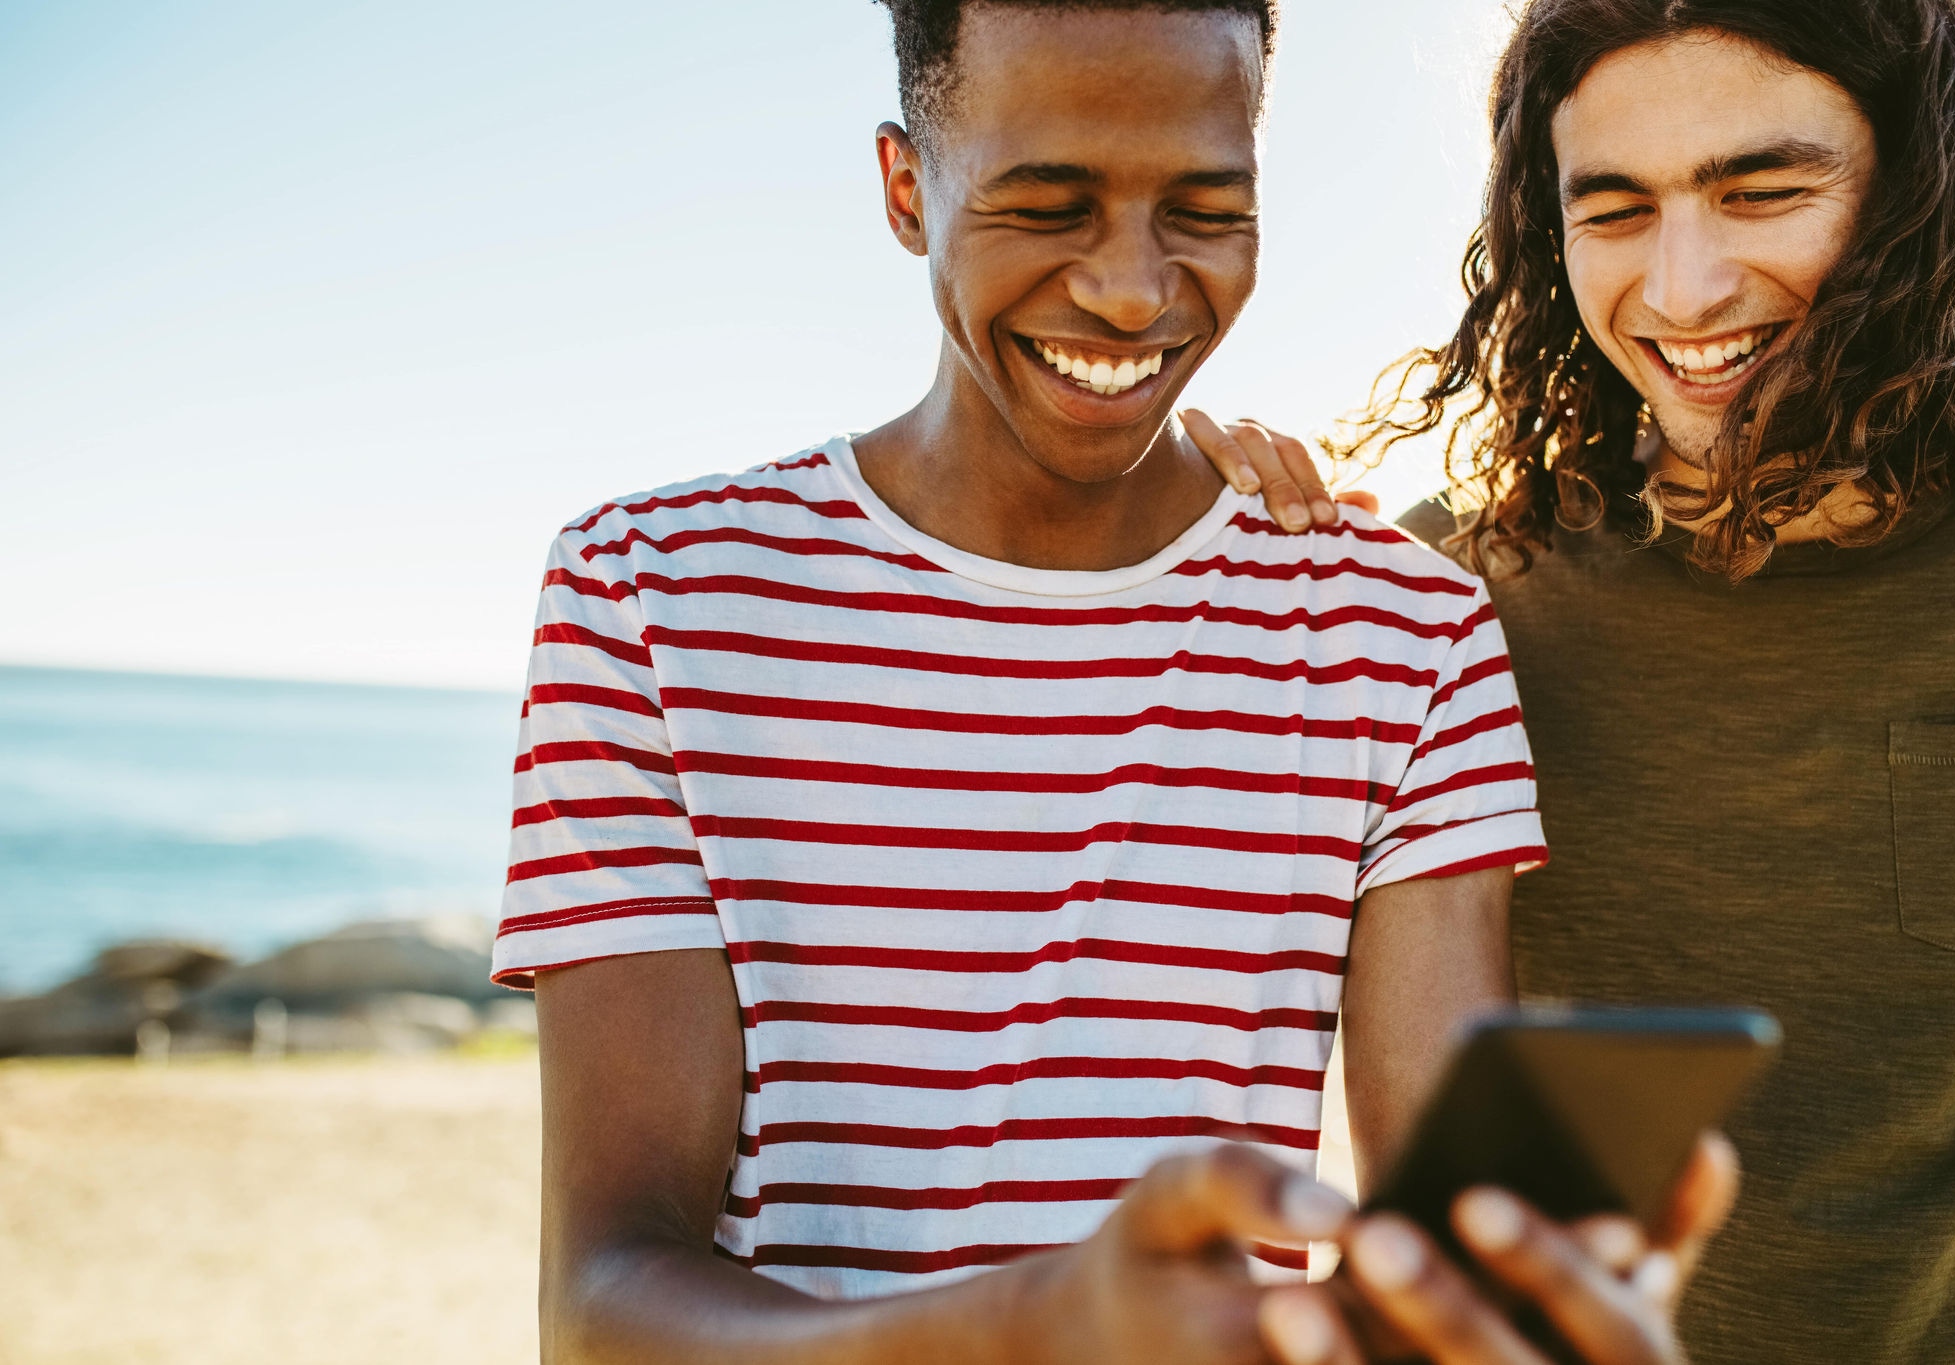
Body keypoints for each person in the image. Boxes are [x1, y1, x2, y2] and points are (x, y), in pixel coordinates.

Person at [492, 2, 1734, 1361]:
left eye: (1205, 206)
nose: (1136, 288)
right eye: (1051, 205)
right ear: (909, 190)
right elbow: (602, 1307)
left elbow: (1429, 1254)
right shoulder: (651, 594)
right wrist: (1037, 1325)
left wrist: (1499, 1312)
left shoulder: (1400, 630)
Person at [1186, 1, 1955, 1360]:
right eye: (1618, 209)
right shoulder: (1456, 600)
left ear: (1919, 186)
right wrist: (1189, 532)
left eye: (1762, 191)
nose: (1686, 288)